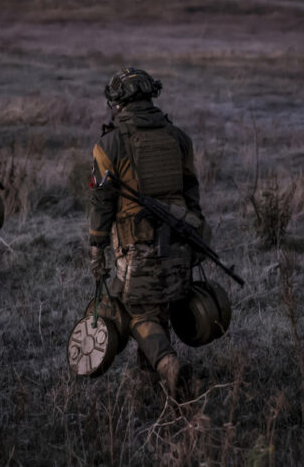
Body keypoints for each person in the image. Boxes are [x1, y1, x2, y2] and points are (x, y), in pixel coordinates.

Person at [87, 68, 206, 396]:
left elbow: (101, 200)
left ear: (116, 101)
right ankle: (152, 389)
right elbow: (192, 195)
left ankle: (169, 366)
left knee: (135, 311)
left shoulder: (109, 143)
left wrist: (96, 248)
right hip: (181, 240)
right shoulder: (178, 137)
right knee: (160, 308)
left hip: (136, 245)